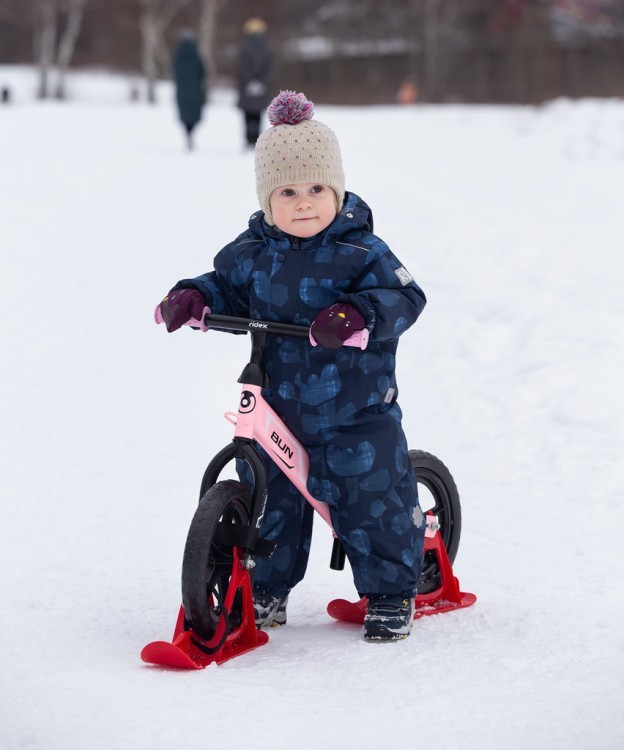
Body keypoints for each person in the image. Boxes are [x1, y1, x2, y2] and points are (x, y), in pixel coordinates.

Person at [156, 91, 427, 642]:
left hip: (355, 409)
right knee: (269, 502)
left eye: (316, 189)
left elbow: (406, 298)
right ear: (266, 197)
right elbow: (224, 287)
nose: (304, 203)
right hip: (280, 404)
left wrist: (357, 315)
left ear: (337, 189)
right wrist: (193, 297)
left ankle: (393, 592)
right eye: (287, 192)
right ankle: (265, 590)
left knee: (371, 499)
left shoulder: (362, 251)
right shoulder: (253, 253)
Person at [237, 18, 273, 147]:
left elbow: (242, 68)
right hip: (261, 88)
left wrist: (250, 82)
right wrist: (261, 82)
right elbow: (269, 69)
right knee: (257, 115)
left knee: (248, 115)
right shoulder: (268, 49)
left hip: (247, 88)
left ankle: (249, 139)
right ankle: (256, 139)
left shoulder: (244, 49)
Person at [172, 30, 207, 150]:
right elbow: (203, 72)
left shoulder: (177, 55)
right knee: (194, 114)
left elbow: (174, 72)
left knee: (185, 114)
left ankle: (188, 133)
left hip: (182, 91)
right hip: (195, 91)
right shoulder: (196, 55)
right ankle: (191, 133)